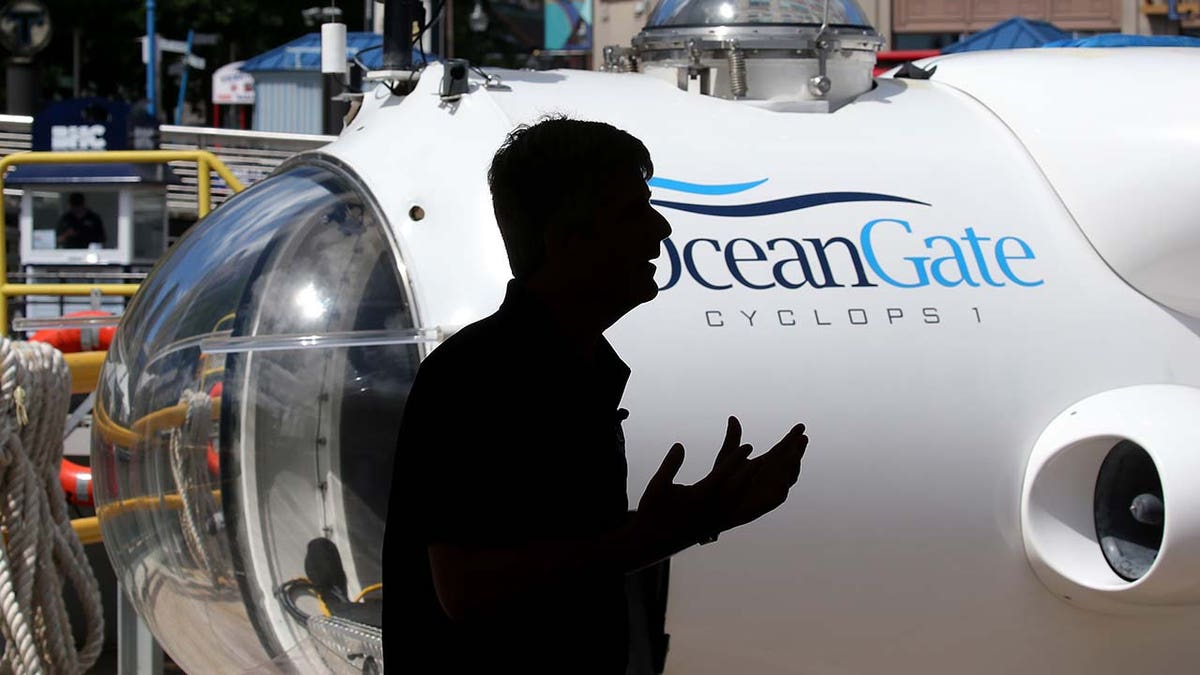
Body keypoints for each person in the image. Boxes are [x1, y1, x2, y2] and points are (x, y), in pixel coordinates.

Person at [386, 117, 808, 673]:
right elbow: (466, 590)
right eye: (633, 212)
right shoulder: (480, 376)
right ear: (567, 238)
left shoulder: (558, 367)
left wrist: (700, 517)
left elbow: (551, 551)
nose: (661, 229)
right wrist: (662, 533)